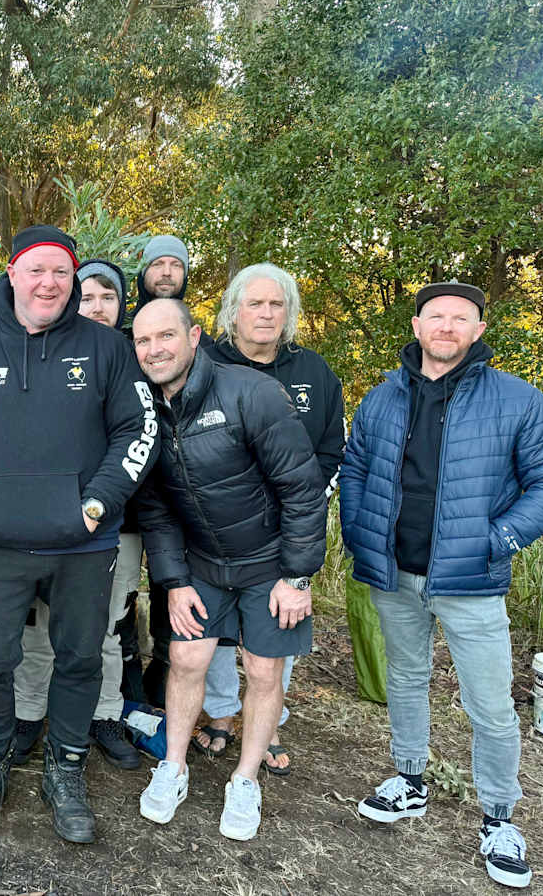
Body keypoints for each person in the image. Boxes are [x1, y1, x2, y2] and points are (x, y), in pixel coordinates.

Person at [0, 226, 155, 844]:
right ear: (11, 275)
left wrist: (96, 503)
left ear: (73, 282)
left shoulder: (105, 349)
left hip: (83, 544)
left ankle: (65, 768)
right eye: (35, 271)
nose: (48, 284)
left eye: (61, 273)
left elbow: (136, 432)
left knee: (82, 658)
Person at [341, 280, 543, 889]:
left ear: (478, 331)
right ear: (416, 325)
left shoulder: (519, 402)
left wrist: (499, 539)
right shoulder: (383, 398)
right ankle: (409, 780)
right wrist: (358, 531)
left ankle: (499, 817)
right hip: (395, 572)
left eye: (461, 319)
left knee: (488, 705)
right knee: (406, 680)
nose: (447, 326)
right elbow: (355, 468)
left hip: (471, 580)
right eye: (436, 316)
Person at [132, 298, 326, 842]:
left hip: (269, 562)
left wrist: (298, 577)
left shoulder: (251, 393)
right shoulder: (144, 408)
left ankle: (245, 779)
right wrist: (173, 582)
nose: (155, 350)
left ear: (194, 337)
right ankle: (172, 766)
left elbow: (302, 489)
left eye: (166, 336)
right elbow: (156, 507)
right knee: (185, 655)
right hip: (201, 562)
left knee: (263, 671)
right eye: (143, 342)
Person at [194, 263, 345, 773]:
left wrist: (301, 506)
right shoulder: (203, 363)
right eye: (254, 304)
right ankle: (220, 713)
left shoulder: (314, 372)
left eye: (275, 304)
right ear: (232, 311)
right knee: (213, 630)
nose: (265, 313)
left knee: (282, 621)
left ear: (290, 313)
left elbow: (329, 450)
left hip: (286, 528)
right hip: (215, 526)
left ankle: (270, 719)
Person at [11, 259, 142, 770]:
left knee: (106, 626)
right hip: (47, 521)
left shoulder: (138, 355)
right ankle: (28, 713)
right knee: (39, 624)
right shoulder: (47, 353)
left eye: (108, 297)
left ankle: (104, 714)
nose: (96, 306)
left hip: (118, 525)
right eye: (87, 297)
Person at [129, 233, 202, 708]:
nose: (167, 273)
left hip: (177, 488)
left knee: (168, 585)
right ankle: (126, 679)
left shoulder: (196, 336)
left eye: (176, 265)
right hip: (127, 490)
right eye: (159, 265)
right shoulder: (123, 335)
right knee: (118, 597)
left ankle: (163, 677)